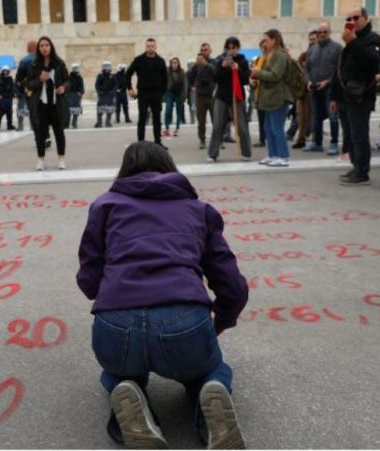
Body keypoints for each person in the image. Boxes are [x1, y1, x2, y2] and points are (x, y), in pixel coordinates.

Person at [76, 141, 248, 449]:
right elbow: (232, 286)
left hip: (116, 321)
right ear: (170, 167)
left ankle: (128, 401)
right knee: (209, 369)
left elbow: (89, 279)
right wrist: (220, 321)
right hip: (183, 320)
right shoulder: (199, 211)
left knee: (117, 373)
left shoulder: (104, 205)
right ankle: (209, 400)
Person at [330, 6, 380, 186]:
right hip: (346, 95)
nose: (352, 22)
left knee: (359, 134)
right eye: (349, 19)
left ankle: (362, 172)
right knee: (349, 135)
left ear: (365, 19)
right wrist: (335, 97)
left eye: (356, 18)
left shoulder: (372, 39)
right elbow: (341, 70)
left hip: (361, 96)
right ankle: (356, 166)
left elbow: (373, 61)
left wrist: (353, 43)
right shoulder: (350, 42)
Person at [26, 36, 69, 171]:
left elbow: (68, 80)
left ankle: (61, 159)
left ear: (51, 47)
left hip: (57, 103)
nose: (44, 48)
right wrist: (39, 79)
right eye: (41, 46)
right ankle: (40, 159)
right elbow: (28, 84)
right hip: (41, 104)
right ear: (38, 49)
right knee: (41, 133)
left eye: (47, 45)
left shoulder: (59, 63)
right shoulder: (34, 65)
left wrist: (64, 87)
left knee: (59, 132)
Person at [251, 30, 293, 167]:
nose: (265, 43)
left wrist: (259, 73)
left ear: (274, 40)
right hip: (268, 97)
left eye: (267, 40)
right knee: (268, 128)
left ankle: (283, 156)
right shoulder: (268, 55)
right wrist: (256, 75)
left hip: (279, 97)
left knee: (277, 128)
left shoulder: (280, 55)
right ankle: (273, 154)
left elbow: (276, 75)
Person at [208, 37, 252, 162]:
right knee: (217, 125)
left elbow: (245, 80)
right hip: (222, 97)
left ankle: (246, 152)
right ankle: (213, 153)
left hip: (237, 96)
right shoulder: (220, 60)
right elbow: (216, 78)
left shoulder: (242, 61)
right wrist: (222, 67)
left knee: (242, 126)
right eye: (229, 47)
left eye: (234, 47)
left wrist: (238, 70)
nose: (231, 50)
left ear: (238, 48)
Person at [305, 22, 342, 155]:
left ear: (329, 32)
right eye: (319, 32)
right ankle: (317, 143)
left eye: (324, 32)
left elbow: (340, 69)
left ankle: (333, 143)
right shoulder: (312, 49)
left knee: (332, 116)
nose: (321, 34)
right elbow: (307, 68)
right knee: (316, 117)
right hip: (314, 88)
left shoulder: (337, 48)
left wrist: (327, 81)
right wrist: (308, 81)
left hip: (330, 90)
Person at [126, 38, 168, 147]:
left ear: (155, 47)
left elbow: (165, 78)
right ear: (145, 47)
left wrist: (162, 92)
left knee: (157, 118)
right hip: (143, 93)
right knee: (142, 118)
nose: (150, 48)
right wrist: (130, 88)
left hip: (156, 93)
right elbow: (128, 74)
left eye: (152, 46)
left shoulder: (160, 61)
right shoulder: (139, 60)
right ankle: (141, 142)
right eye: (148, 46)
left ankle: (158, 142)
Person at [188, 53, 216, 149]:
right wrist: (195, 66)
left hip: (211, 95)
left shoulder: (210, 65)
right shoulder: (196, 68)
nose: (200, 60)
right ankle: (202, 140)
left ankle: (218, 140)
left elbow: (215, 75)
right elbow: (190, 79)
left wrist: (206, 64)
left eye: (202, 59)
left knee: (215, 120)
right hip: (200, 96)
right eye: (198, 59)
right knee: (201, 121)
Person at [16, 41, 38, 132]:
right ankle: (36, 127)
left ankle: (21, 125)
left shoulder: (24, 60)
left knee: (22, 108)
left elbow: (19, 78)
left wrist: (19, 90)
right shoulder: (42, 59)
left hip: (26, 89)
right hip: (39, 89)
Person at [163, 57, 187, 137]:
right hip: (170, 93)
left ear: (178, 63)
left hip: (179, 94)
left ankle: (177, 129)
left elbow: (185, 85)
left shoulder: (182, 72)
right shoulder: (167, 72)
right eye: (173, 62)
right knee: (167, 111)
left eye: (176, 62)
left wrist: (184, 96)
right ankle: (167, 129)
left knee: (178, 112)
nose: (174, 64)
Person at [0, 66, 17, 131]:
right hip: (2, 98)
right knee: (0, 112)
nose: (6, 72)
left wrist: (14, 94)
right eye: (4, 70)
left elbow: (13, 87)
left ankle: (10, 125)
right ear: (2, 71)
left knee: (9, 112)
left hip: (9, 98)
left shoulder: (10, 79)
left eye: (7, 71)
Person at [95, 61, 117, 128]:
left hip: (110, 95)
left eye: (108, 66)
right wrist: (99, 92)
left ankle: (108, 122)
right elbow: (97, 85)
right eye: (105, 66)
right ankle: (99, 122)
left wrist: (113, 92)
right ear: (103, 67)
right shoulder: (100, 75)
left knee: (109, 109)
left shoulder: (112, 76)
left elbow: (116, 85)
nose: (107, 67)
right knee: (100, 109)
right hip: (102, 95)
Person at [67, 63, 85, 128]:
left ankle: (74, 123)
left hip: (77, 96)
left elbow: (82, 86)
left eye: (77, 68)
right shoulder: (68, 77)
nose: (76, 70)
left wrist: (81, 92)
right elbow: (66, 86)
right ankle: (67, 123)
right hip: (69, 95)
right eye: (75, 68)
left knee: (76, 110)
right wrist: (67, 93)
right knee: (68, 110)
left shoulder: (80, 78)